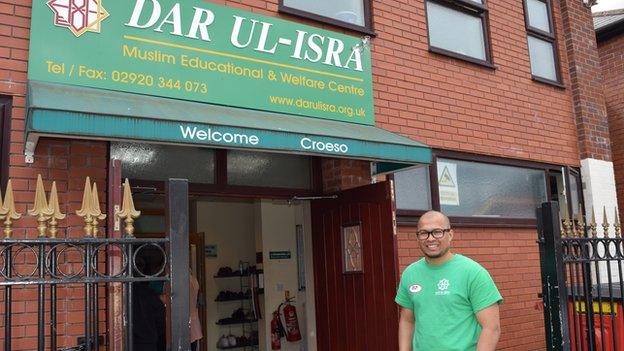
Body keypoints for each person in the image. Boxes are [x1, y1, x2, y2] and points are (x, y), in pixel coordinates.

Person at [395, 211, 502, 351]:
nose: (430, 238)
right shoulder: (410, 274)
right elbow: (407, 321)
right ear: (418, 237)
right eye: (423, 233)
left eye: (437, 232)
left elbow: (491, 328)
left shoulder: (473, 273)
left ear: (450, 235)